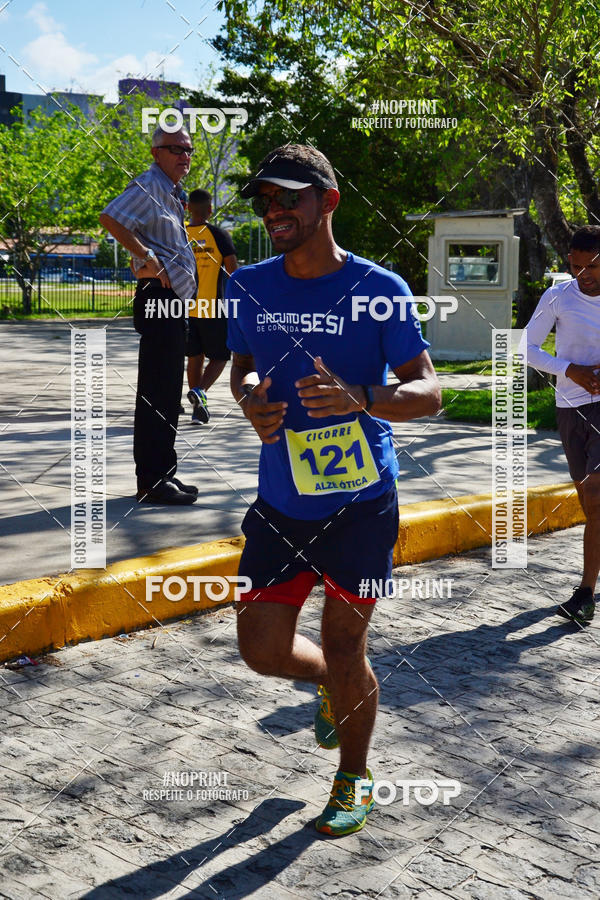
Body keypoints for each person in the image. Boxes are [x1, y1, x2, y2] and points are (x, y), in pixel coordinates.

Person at [227, 144, 441, 836]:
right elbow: (243, 368)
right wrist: (249, 400)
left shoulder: (381, 287)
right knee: (259, 648)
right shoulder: (250, 284)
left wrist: (362, 397)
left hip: (361, 502)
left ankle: (353, 776)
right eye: (264, 201)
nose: (273, 212)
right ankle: (328, 686)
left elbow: (429, 390)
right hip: (282, 500)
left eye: (288, 197)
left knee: (347, 646)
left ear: (329, 201)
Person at [99, 126, 198, 505]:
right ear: (156, 152)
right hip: (159, 297)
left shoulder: (170, 192)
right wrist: (149, 258)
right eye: (175, 149)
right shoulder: (149, 185)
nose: (184, 156)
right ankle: (153, 480)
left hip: (172, 302)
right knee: (158, 389)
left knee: (167, 389)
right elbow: (111, 218)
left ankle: (162, 474)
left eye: (188, 150)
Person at [525, 225, 600, 623]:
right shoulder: (558, 296)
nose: (581, 275)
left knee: (596, 496)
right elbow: (525, 347)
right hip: (570, 409)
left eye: (589, 267)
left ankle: (585, 592)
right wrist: (568, 369)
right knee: (590, 504)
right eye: (574, 267)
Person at [186, 189, 238, 424]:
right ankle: (201, 392)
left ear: (187, 209)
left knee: (194, 357)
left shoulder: (180, 234)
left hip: (183, 308)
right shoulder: (219, 235)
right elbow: (233, 272)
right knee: (219, 357)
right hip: (212, 307)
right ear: (210, 210)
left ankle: (198, 409)